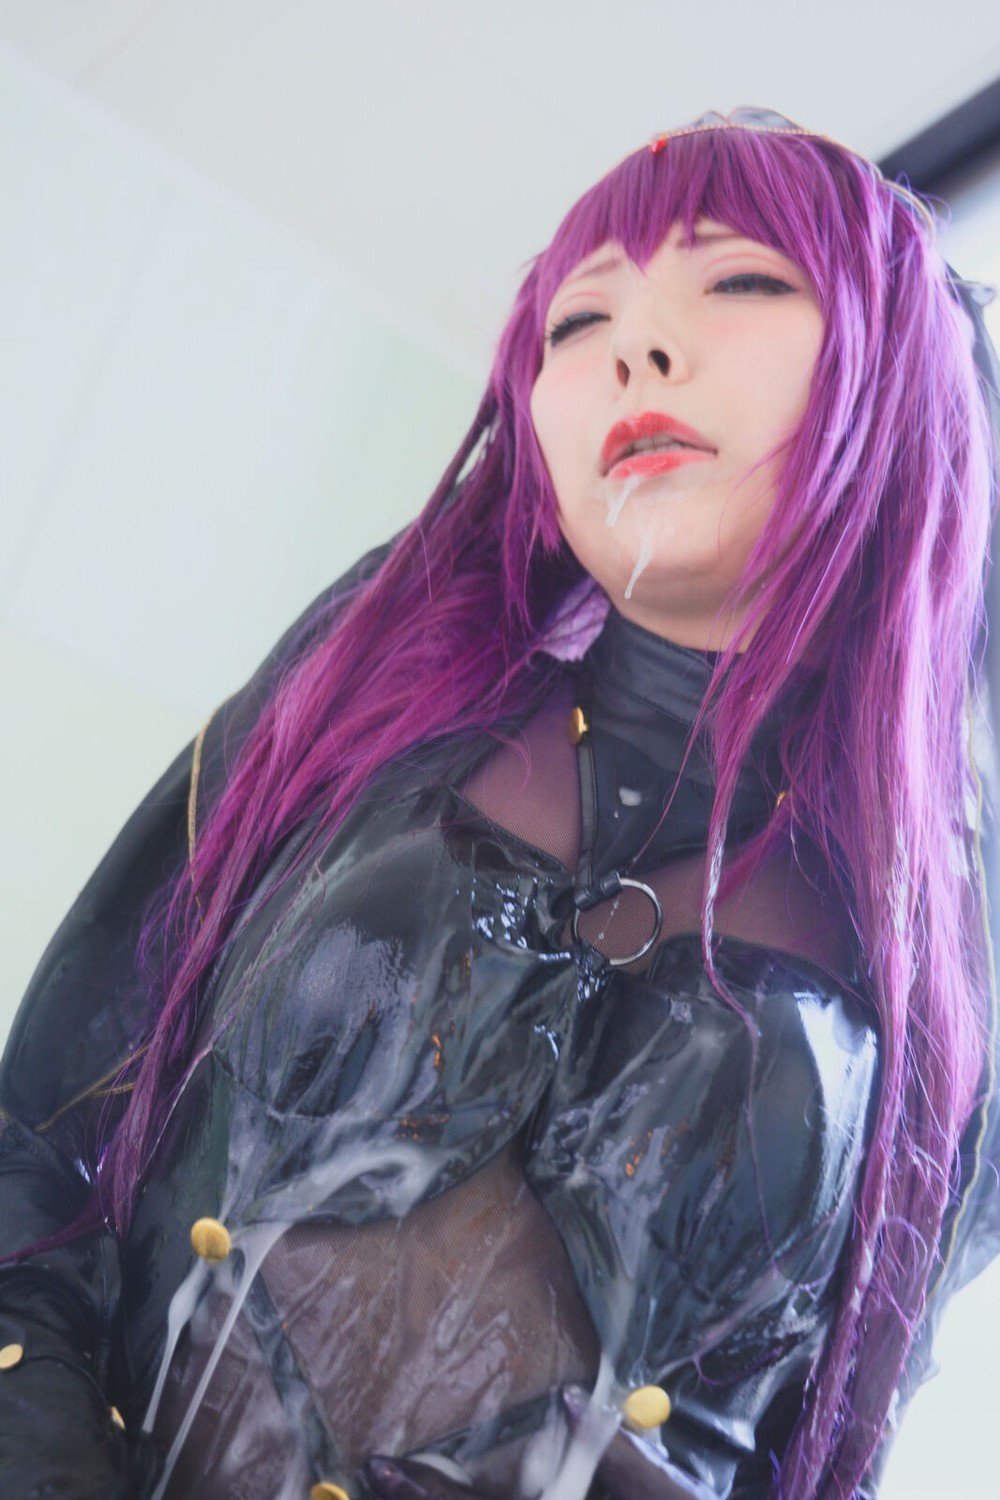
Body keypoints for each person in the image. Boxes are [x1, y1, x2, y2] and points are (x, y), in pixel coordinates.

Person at [1, 108, 998, 1500]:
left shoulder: (953, 934)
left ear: (901, 372)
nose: (638, 350)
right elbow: (38, 1140)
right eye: (578, 321)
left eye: (743, 279)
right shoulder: (378, 671)